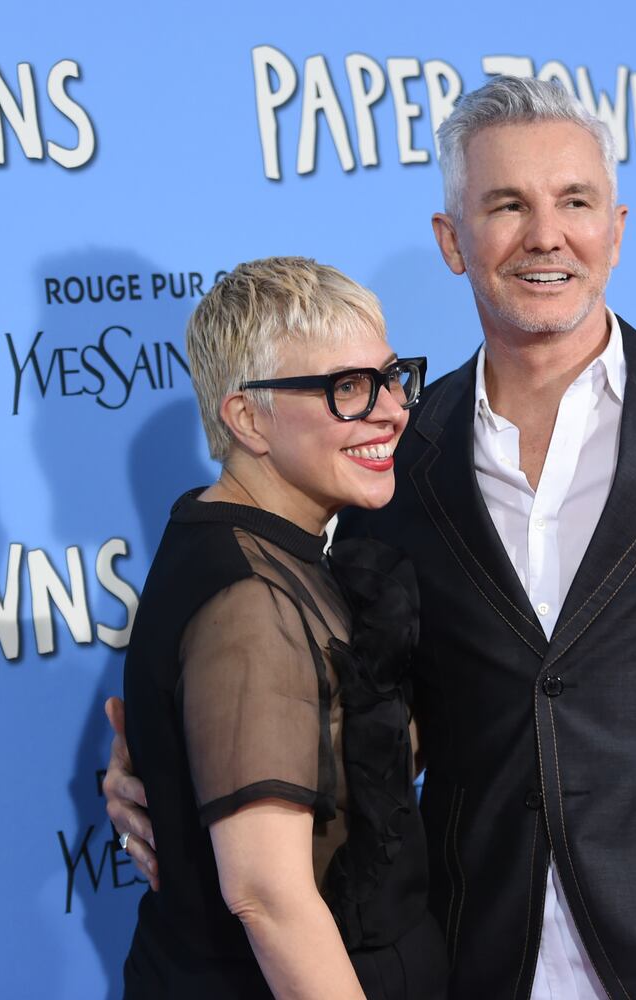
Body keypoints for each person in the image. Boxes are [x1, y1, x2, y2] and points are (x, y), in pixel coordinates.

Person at [108, 78, 636, 999]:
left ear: (616, 229)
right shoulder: (394, 455)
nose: (545, 235)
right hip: (475, 951)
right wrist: (169, 770)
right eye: (507, 205)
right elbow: (344, 693)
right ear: (453, 240)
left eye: (575, 202)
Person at [116, 257, 445, 998]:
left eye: (391, 377)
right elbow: (267, 899)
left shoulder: (269, 546)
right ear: (247, 419)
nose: (393, 410)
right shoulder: (251, 599)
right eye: (347, 388)